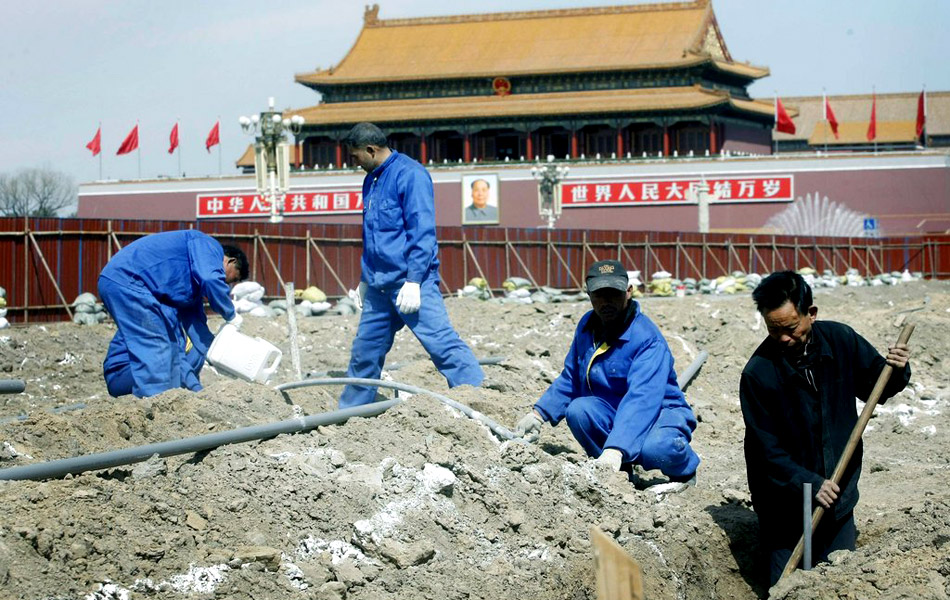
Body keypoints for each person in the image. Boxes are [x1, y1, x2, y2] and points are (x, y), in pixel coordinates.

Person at [740, 271, 911, 586]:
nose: (783, 339)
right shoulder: (758, 375)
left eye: (791, 329)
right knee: (784, 587)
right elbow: (767, 451)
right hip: (784, 507)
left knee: (839, 581)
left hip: (837, 499)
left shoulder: (841, 340)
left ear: (811, 314)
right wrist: (809, 482)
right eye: (773, 330)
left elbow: (878, 387)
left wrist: (897, 369)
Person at [515, 259, 700, 488]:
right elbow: (572, 376)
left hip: (658, 413)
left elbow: (642, 398)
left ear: (628, 292)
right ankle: (619, 474)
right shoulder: (587, 327)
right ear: (589, 295)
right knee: (579, 410)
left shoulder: (646, 338)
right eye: (600, 295)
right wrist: (539, 414)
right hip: (612, 410)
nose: (606, 302)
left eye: (613, 294)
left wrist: (616, 448)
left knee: (657, 448)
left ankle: (684, 472)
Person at [339, 122, 484, 407]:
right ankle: (351, 414)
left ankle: (478, 401)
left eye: (355, 156)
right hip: (380, 287)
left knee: (441, 344)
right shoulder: (371, 180)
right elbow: (372, 235)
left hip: (411, 284)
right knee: (364, 352)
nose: (353, 163)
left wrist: (415, 280)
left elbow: (422, 232)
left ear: (371, 150)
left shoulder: (411, 175)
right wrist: (365, 279)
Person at [98, 230, 248, 398]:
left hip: (127, 283)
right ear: (229, 261)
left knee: (171, 352)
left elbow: (198, 330)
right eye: (232, 279)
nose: (228, 284)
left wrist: (218, 354)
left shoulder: (186, 290)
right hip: (128, 281)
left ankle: (162, 405)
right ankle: (155, 412)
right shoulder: (208, 244)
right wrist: (231, 315)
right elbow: (210, 278)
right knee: (159, 350)